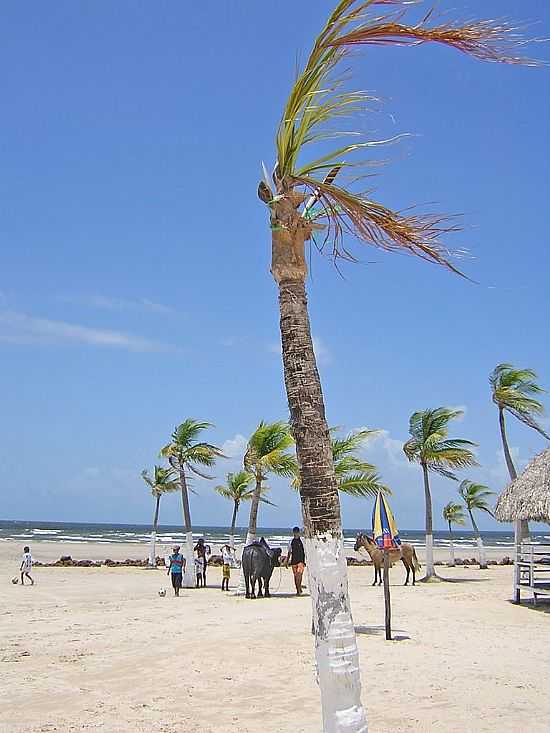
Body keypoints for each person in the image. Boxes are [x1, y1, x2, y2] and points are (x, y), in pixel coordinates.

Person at [286, 527, 305, 596]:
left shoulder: (303, 541)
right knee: (295, 575)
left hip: (301, 561)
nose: (295, 533)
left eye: (297, 532)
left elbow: (306, 551)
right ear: (293, 532)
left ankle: (299, 588)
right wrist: (286, 562)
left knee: (299, 574)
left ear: (298, 532)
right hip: (293, 561)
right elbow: (289, 552)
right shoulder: (291, 541)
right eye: (295, 532)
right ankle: (298, 589)